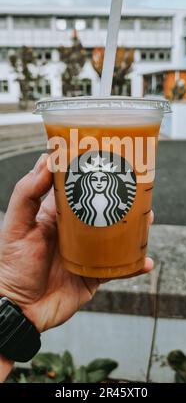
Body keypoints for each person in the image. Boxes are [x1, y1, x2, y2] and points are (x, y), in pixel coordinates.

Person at [0, 154, 154, 382]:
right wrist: (17, 302)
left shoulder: (114, 205)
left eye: (105, 177)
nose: (99, 181)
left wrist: (18, 307)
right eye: (93, 178)